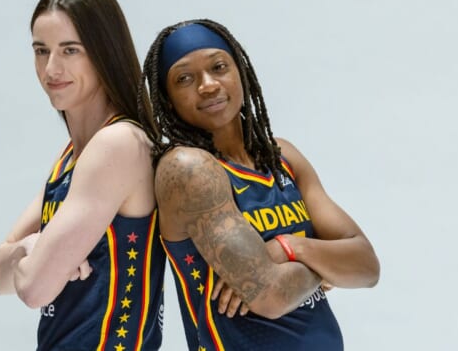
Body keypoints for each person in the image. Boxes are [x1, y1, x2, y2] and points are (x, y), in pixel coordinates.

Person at [137, 19, 380, 350]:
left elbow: (367, 265)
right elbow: (268, 295)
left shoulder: (283, 157)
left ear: (240, 72)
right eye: (184, 78)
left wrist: (290, 248)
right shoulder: (189, 170)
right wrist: (325, 269)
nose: (207, 85)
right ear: (167, 99)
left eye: (218, 67)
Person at [0, 0, 165, 350]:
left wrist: (32, 260)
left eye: (70, 50)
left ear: (103, 52)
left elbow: (34, 289)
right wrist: (28, 248)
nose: (51, 68)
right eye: (41, 50)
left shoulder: (117, 144)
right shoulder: (73, 155)